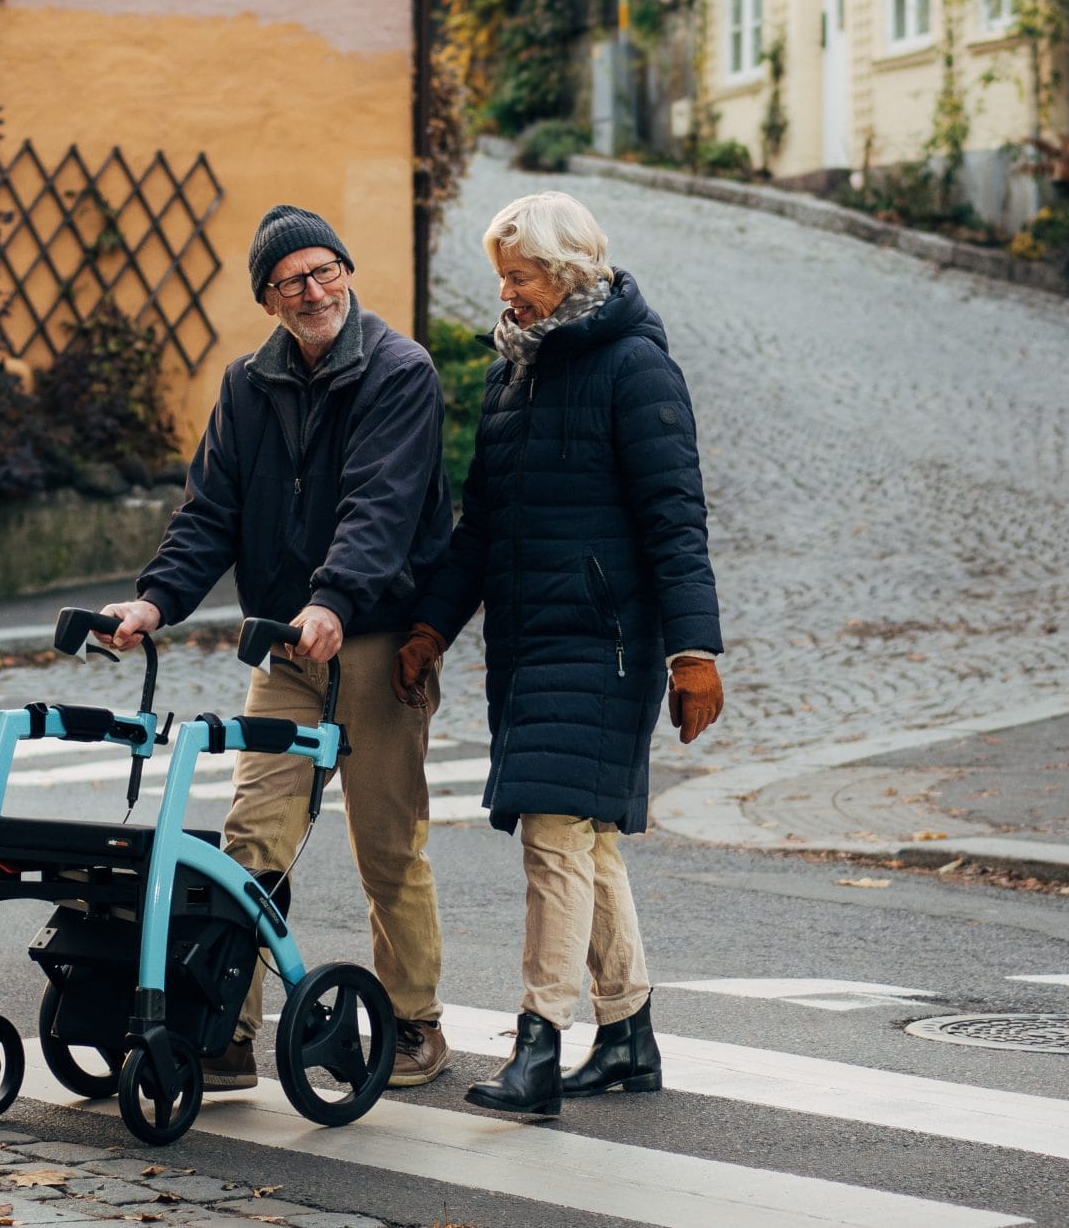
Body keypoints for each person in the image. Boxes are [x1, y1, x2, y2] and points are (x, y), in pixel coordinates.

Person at [99, 204, 455, 1090]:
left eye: (324, 270)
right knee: (250, 839)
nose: (312, 290)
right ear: (267, 298)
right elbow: (209, 514)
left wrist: (335, 598)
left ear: (347, 270)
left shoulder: (400, 372)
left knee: (386, 843)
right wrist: (153, 602)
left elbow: (382, 504)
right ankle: (228, 1028)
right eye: (290, 280)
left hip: (371, 642)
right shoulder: (246, 386)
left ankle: (414, 1022)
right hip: (288, 654)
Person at [396, 190, 722, 1119]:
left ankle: (539, 1042)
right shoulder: (513, 376)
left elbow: (676, 523)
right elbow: (481, 529)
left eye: (521, 275)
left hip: (608, 642)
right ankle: (626, 1033)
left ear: (569, 272)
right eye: (501, 275)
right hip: (529, 643)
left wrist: (694, 651)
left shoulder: (634, 368)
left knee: (552, 833)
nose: (507, 292)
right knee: (587, 840)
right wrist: (430, 626)